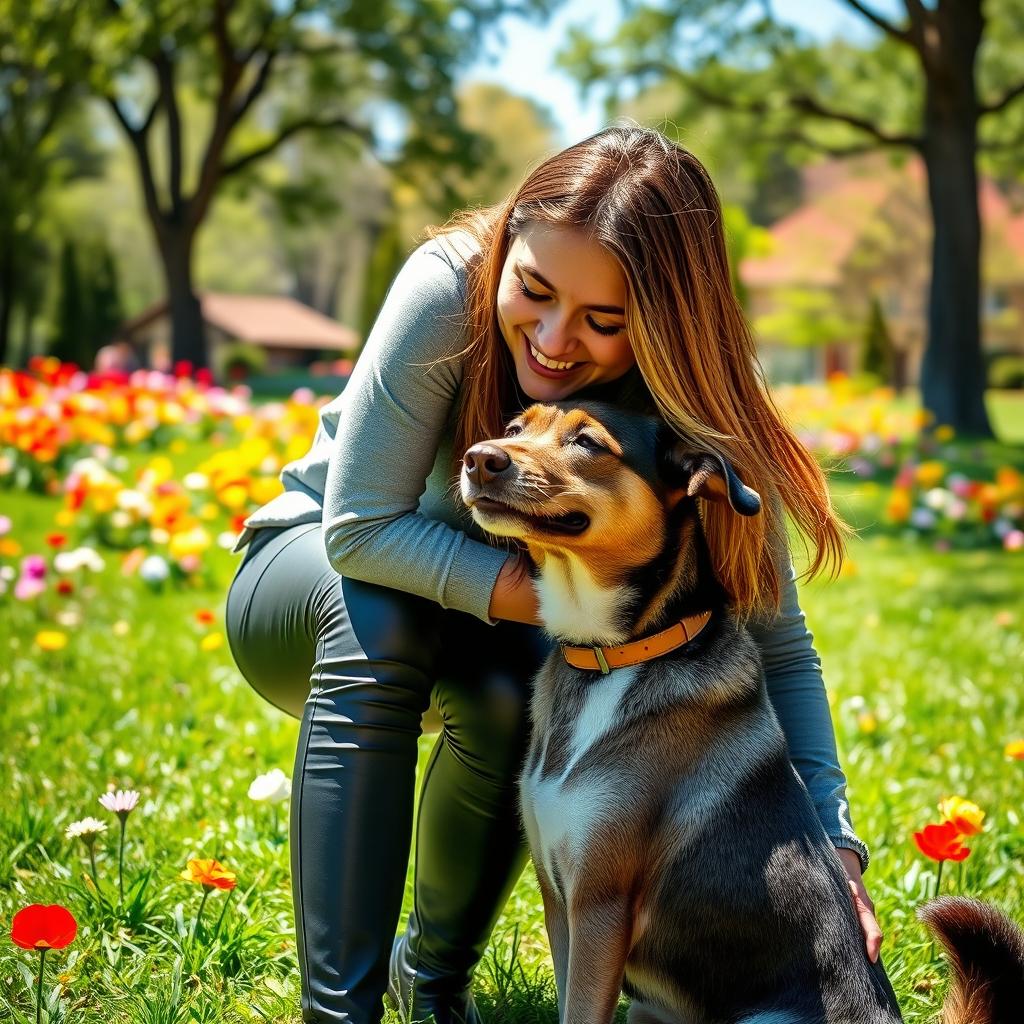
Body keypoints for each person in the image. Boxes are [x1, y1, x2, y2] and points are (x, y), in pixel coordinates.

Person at [224, 124, 885, 1024]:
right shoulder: (445, 289)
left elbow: (782, 644)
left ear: (663, 322)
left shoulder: (691, 399)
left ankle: (436, 986)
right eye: (532, 291)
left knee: (515, 690)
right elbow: (359, 529)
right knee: (388, 620)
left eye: (603, 322)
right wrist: (561, 601)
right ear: (507, 251)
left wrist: (837, 851)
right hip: (306, 579)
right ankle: (339, 1012)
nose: (552, 339)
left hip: (492, 628)